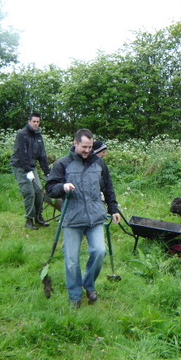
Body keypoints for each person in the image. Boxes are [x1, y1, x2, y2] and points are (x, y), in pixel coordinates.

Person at [45, 129, 121, 308]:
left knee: (99, 252)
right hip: (72, 218)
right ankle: (75, 295)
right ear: (75, 143)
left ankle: (89, 284)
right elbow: (50, 188)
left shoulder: (99, 164)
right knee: (71, 261)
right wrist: (62, 186)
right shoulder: (63, 164)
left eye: (90, 147)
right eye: (84, 147)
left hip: (95, 217)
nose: (87, 150)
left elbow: (108, 188)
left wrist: (113, 208)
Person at [11, 112, 51, 230]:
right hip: (20, 167)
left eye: (38, 122)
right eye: (34, 121)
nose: (36, 124)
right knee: (29, 193)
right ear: (29, 121)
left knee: (39, 192)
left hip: (31, 167)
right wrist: (28, 170)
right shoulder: (22, 134)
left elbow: (42, 155)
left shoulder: (38, 136)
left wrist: (47, 172)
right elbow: (21, 153)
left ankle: (38, 218)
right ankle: (29, 220)